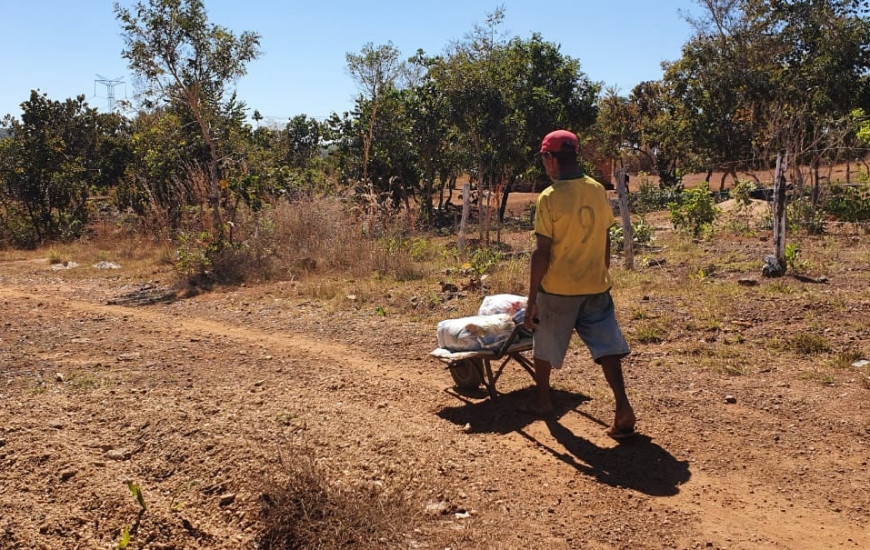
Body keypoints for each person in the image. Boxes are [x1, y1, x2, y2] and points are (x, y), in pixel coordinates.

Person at [522, 129, 636, 439]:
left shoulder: (550, 197)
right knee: (607, 347)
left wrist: (531, 300)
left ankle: (544, 401)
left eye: (545, 159)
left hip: (558, 290)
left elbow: (541, 252)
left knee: (543, 343)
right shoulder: (597, 190)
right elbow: (605, 236)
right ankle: (623, 407)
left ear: (550, 159)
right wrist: (601, 270)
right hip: (596, 286)